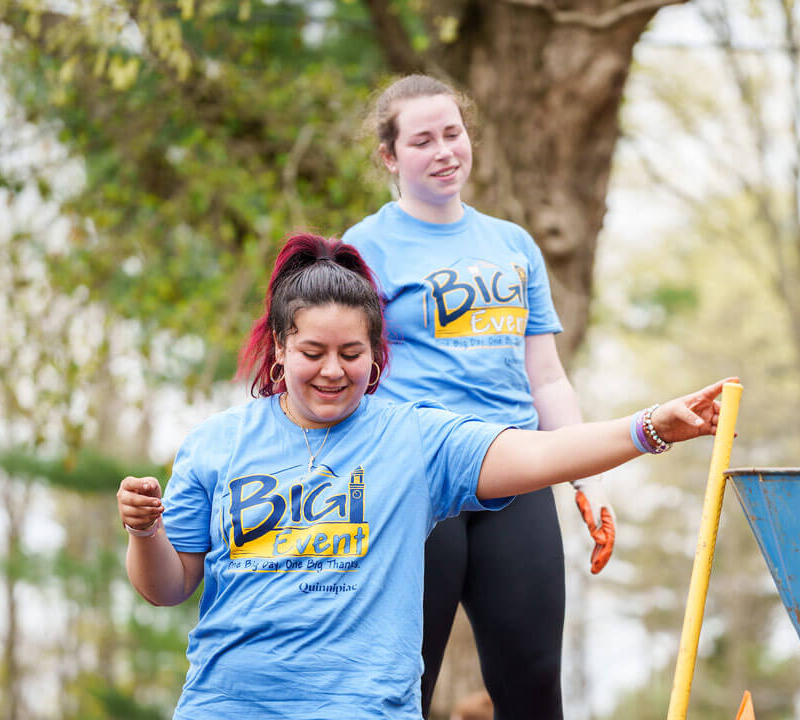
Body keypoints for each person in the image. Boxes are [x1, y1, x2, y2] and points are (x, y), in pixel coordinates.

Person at [115, 233, 731, 719]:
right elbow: (168, 588)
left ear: (377, 353)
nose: (333, 371)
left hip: (363, 709)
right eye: (312, 353)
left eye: (352, 355)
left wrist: (650, 428)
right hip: (226, 705)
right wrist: (146, 533)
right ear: (279, 347)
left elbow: (541, 453)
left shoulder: (413, 437)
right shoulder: (216, 444)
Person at [339, 74, 612, 718]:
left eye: (453, 134)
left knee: (535, 685)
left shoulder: (513, 245)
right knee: (405, 683)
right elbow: (347, 373)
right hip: (417, 481)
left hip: (515, 473)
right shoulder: (362, 249)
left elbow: (546, 378)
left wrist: (586, 481)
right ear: (390, 156)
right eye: (422, 140)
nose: (443, 152)